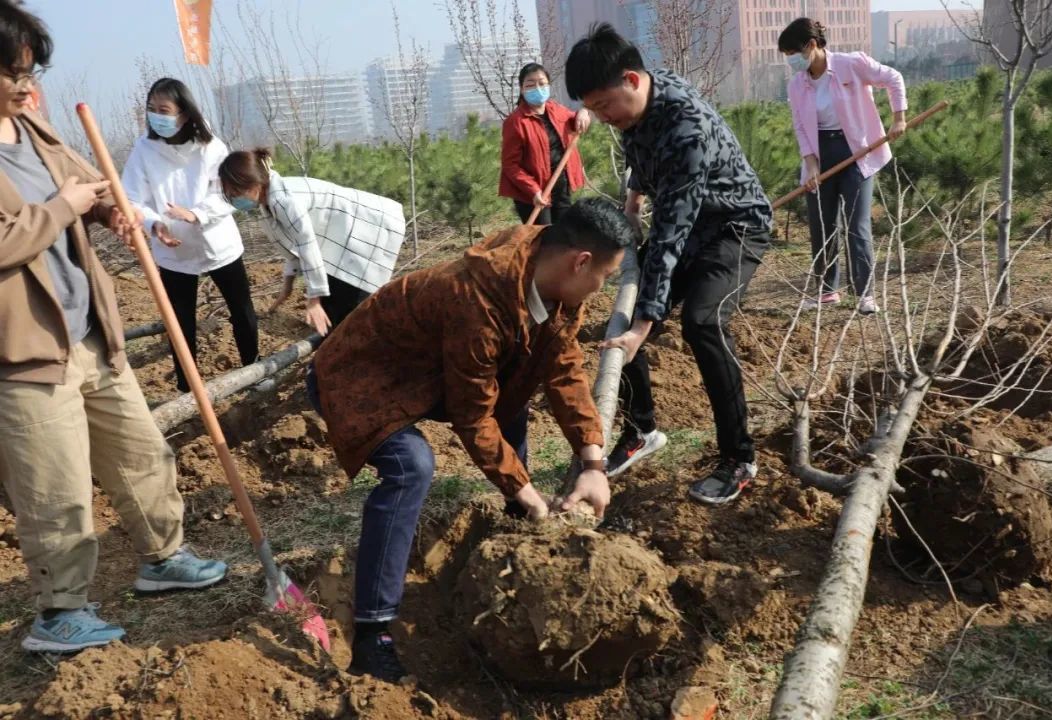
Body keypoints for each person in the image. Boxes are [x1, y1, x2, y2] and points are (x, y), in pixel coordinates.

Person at [308, 198, 635, 681]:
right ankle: (372, 634)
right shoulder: (477, 300)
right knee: (411, 466)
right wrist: (532, 496)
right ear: (579, 262)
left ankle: (517, 527)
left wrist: (592, 462)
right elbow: (472, 416)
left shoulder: (556, 285)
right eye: (605, 278)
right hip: (361, 377)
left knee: (515, 398)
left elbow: (563, 367)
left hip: (424, 373)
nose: (601, 289)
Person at [0, 0, 227, 654]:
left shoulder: (35, 131)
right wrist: (64, 207)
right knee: (57, 489)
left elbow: (87, 185)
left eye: (30, 69)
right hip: (25, 352)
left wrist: (107, 209)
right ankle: (60, 612)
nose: (24, 83)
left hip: (90, 332)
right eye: (12, 71)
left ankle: (165, 557)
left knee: (141, 452)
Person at [565, 24, 773, 506]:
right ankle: (641, 431)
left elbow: (671, 233)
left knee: (702, 322)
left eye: (604, 106)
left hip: (733, 228)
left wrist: (646, 323)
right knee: (623, 326)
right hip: (690, 222)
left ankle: (739, 458)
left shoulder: (686, 128)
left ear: (632, 80)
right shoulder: (637, 105)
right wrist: (634, 200)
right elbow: (639, 151)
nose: (602, 117)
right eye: (592, 109)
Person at [121, 77, 257, 392]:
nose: (157, 116)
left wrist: (195, 214)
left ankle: (254, 370)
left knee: (241, 308)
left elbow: (227, 192)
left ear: (184, 113)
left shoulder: (211, 146)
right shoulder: (143, 150)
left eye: (164, 109)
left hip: (217, 242)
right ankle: (188, 387)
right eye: (152, 109)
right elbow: (131, 199)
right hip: (172, 249)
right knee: (180, 321)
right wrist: (155, 224)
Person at [779, 17, 907, 315]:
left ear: (811, 45)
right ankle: (827, 290)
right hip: (820, 154)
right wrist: (810, 164)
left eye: (793, 55)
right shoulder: (798, 84)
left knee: (856, 224)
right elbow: (800, 125)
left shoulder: (851, 64)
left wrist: (898, 117)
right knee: (822, 224)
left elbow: (893, 78)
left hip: (857, 151)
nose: (792, 63)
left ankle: (864, 294)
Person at [218, 148, 406, 334]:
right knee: (337, 314)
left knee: (352, 313)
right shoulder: (268, 202)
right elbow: (293, 247)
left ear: (252, 184)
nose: (234, 199)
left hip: (368, 229)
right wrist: (288, 285)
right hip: (343, 240)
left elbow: (306, 244)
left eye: (235, 192)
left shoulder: (284, 200)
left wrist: (314, 299)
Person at [499, 62, 590, 225]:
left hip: (560, 185)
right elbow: (510, 165)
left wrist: (583, 112)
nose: (537, 88)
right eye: (530, 85)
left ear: (548, 85)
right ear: (522, 89)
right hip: (533, 193)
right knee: (543, 239)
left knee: (564, 236)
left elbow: (575, 118)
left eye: (542, 83)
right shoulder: (515, 122)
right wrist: (533, 190)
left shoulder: (556, 110)